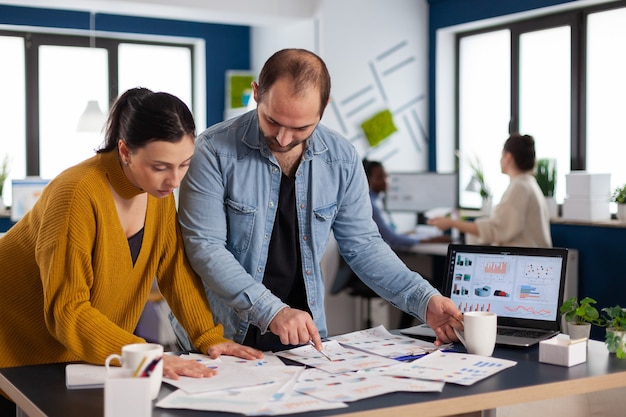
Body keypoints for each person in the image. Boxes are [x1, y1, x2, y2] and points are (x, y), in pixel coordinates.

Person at [171, 48, 463, 353]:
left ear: (325, 107)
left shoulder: (342, 158)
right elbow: (205, 247)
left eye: (300, 128)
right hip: (220, 333)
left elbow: (364, 246)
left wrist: (424, 299)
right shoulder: (213, 150)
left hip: (304, 338)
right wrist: (272, 310)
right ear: (256, 93)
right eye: (272, 121)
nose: (283, 138)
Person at [0, 87, 262, 413]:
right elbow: (67, 311)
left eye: (184, 165)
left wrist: (208, 336)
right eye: (160, 166)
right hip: (15, 348)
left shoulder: (158, 194)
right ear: (125, 151)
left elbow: (174, 271)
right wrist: (148, 357)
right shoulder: (76, 195)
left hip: (80, 358)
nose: (174, 180)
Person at [428, 133, 552, 248]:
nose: (500, 160)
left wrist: (451, 223)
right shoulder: (529, 184)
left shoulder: (520, 187)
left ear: (508, 157)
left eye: (501, 155)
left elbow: (496, 230)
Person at [362, 159, 448, 249]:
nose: (386, 180)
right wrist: (430, 241)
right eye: (380, 177)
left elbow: (387, 234)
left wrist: (409, 234)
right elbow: (391, 239)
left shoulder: (377, 200)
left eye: (386, 176)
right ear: (368, 179)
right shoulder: (372, 205)